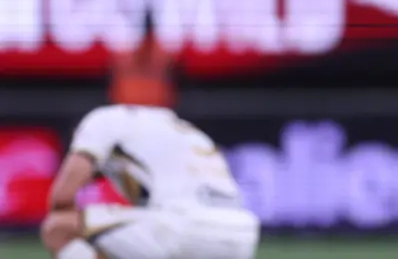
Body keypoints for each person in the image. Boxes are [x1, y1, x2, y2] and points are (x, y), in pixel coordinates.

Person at [40, 105, 260, 259]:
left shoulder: (101, 120)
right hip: (242, 236)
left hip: (184, 227)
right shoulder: (180, 129)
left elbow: (61, 198)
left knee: (58, 226)